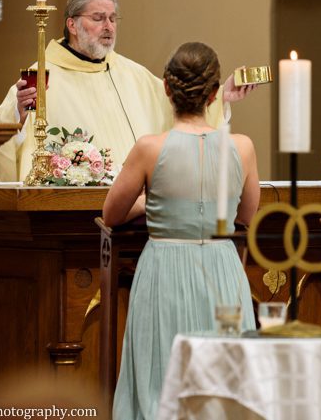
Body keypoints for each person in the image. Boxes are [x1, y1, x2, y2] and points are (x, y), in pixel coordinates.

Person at [102, 42, 259, 420]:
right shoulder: (243, 147)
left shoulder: (149, 149)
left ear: (167, 89)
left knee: (161, 379)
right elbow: (247, 215)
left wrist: (153, 203)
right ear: (213, 94)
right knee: (223, 383)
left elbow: (111, 213)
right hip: (222, 269)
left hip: (165, 269)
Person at [0, 0, 253, 182]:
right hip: (71, 209)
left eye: (113, 19)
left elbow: (179, 105)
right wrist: (18, 115)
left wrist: (220, 97)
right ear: (72, 25)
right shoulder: (43, 75)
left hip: (139, 202)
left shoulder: (131, 73)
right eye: (98, 18)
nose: (109, 27)